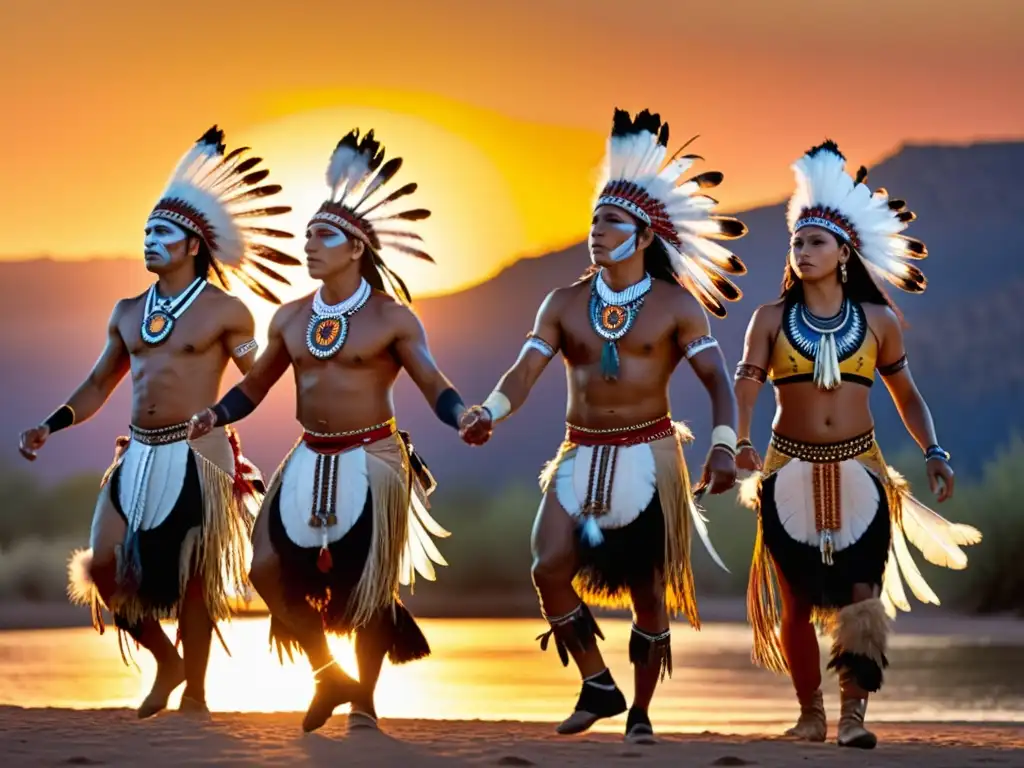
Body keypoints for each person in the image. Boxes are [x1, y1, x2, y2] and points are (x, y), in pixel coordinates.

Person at [459, 108, 748, 742]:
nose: (596, 231)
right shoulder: (562, 304)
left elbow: (719, 385)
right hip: (578, 452)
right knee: (547, 564)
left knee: (648, 590)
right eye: (593, 220)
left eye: (611, 221)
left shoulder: (676, 307)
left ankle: (642, 712)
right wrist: (491, 411)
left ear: (644, 235)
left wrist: (725, 447)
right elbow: (524, 371)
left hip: (650, 452)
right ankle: (596, 683)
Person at [18, 126, 301, 717]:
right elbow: (100, 383)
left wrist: (230, 408)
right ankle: (165, 663)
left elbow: (259, 376)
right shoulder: (126, 312)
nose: (149, 240)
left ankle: (194, 692)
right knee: (102, 566)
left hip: (202, 454)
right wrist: (51, 424)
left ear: (193, 245)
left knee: (197, 577)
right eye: (145, 231)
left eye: (162, 233)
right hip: (138, 452)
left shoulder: (228, 312)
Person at [188, 127, 460, 733]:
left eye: (324, 236)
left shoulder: (393, 319)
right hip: (308, 453)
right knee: (264, 569)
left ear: (356, 247)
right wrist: (215, 414)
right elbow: (253, 387)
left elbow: (432, 383)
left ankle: (364, 703)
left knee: (369, 588)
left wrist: (462, 414)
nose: (310, 244)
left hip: (377, 457)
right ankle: (326, 673)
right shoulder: (290, 317)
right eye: (307, 234)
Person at [734, 140, 981, 749]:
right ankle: (810, 713)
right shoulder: (768, 318)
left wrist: (933, 451)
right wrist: (735, 441)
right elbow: (746, 383)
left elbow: (907, 395)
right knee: (794, 601)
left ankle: (852, 717)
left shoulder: (878, 322)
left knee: (862, 596)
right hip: (785, 468)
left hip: (863, 473)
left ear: (844, 253)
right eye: (797, 242)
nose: (803, 250)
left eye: (816, 241)